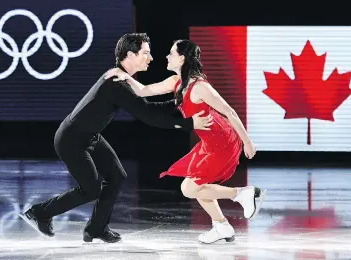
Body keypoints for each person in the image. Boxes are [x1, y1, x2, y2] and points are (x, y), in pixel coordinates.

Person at [19, 33, 214, 243]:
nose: (151, 58)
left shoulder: (120, 79)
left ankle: (96, 229)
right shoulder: (115, 83)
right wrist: (188, 123)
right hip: (71, 140)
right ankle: (39, 212)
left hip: (89, 136)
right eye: (145, 53)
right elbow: (148, 115)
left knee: (116, 176)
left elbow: (147, 108)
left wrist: (178, 102)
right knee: (91, 189)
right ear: (130, 54)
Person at [104, 39, 267, 244]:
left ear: (182, 58)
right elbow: (144, 91)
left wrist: (247, 142)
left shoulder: (200, 87)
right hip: (208, 143)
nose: (166, 56)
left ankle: (244, 193)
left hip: (222, 141)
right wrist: (124, 75)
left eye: (171, 53)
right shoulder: (176, 82)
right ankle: (222, 226)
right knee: (198, 183)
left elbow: (230, 112)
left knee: (189, 188)